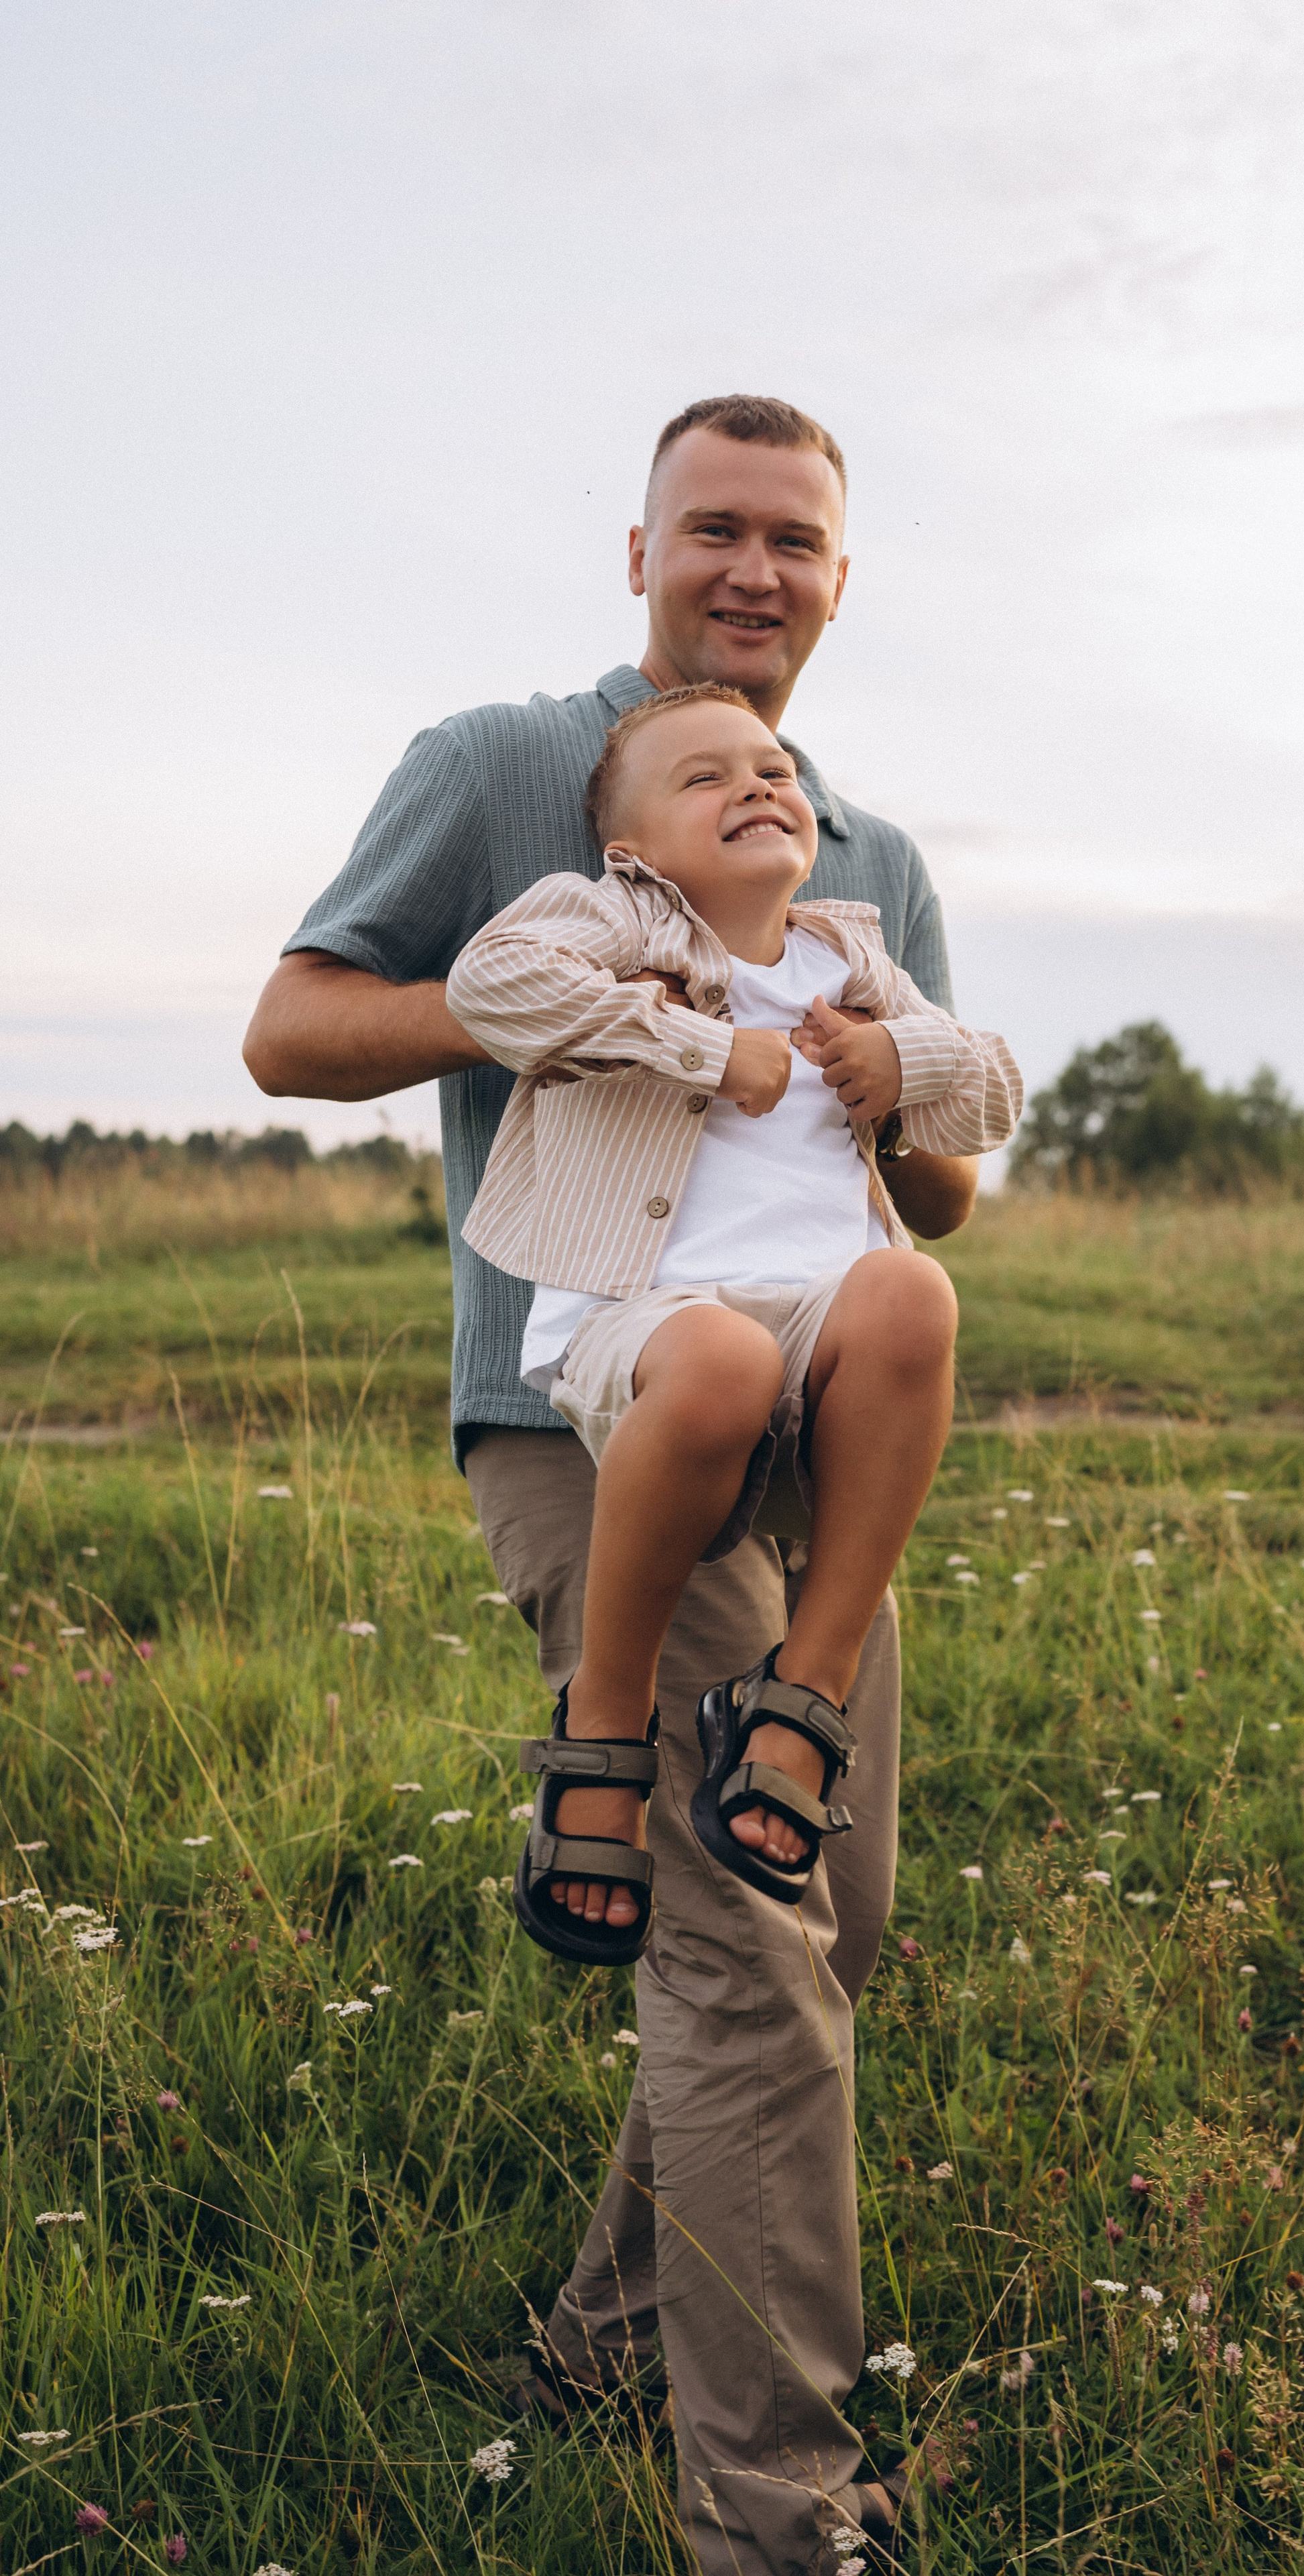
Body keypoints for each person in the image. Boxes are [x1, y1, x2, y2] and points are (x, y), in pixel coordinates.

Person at [243, 395, 980, 2575]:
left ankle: (605, 2339)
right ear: (639, 547)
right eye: (716, 529)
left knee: (826, 1905)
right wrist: (590, 1010)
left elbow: (933, 1189)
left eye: (799, 542)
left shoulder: (870, 861)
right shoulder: (508, 771)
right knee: (753, 1948)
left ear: (840, 580)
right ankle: (779, 2522)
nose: (755, 572)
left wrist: (888, 1084)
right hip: (593, 1409)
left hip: (815, 1426)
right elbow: (292, 1028)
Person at [443, 682, 1018, 1959]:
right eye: (705, 777)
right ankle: (606, 1724)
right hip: (642, 1324)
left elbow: (993, 1094)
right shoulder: (606, 922)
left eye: (773, 767)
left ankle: (802, 1692)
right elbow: (492, 987)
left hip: (820, 1341)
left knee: (916, 1288)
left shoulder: (853, 956)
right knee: (717, 1357)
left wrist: (902, 1066)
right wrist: (698, 1047)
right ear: (634, 849)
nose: (758, 784)